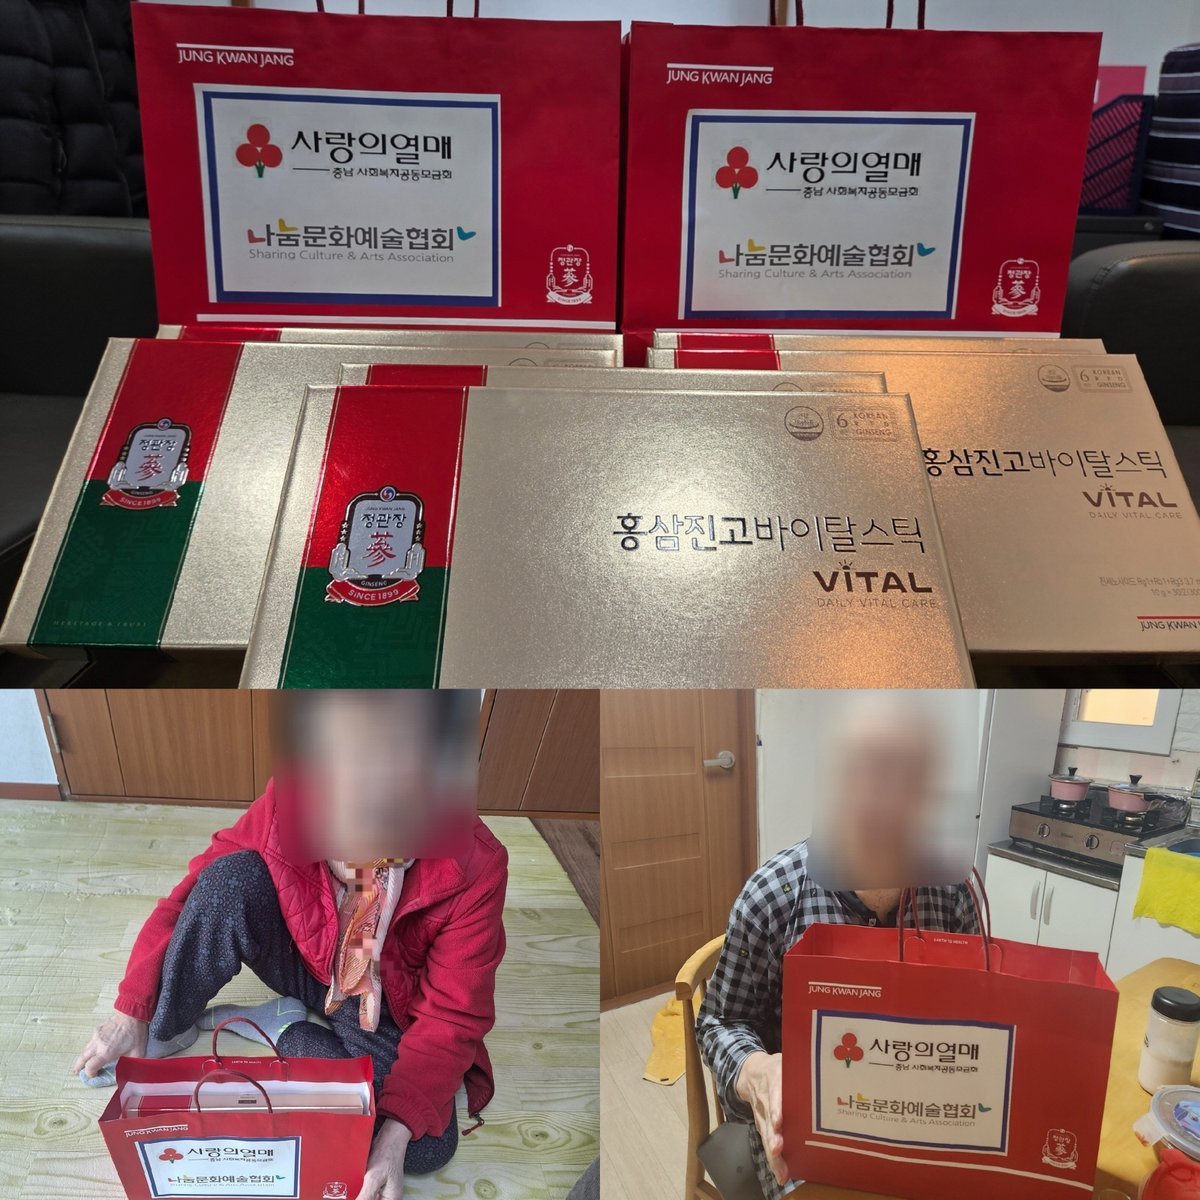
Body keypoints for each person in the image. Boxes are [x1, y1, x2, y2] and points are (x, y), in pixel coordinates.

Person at [72, 692, 505, 1200]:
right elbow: (192, 893)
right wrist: (132, 1012)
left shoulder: (476, 865)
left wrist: (395, 1132)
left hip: (382, 1003)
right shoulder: (295, 796)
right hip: (306, 956)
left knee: (425, 1146)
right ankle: (171, 1024)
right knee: (229, 881)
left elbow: (452, 1016)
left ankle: (281, 1026)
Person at [696, 700, 979, 1200]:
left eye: (910, 777)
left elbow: (974, 1012)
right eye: (868, 773)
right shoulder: (772, 896)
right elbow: (719, 1022)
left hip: (923, 1115)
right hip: (810, 1129)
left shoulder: (952, 893)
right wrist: (757, 1071)